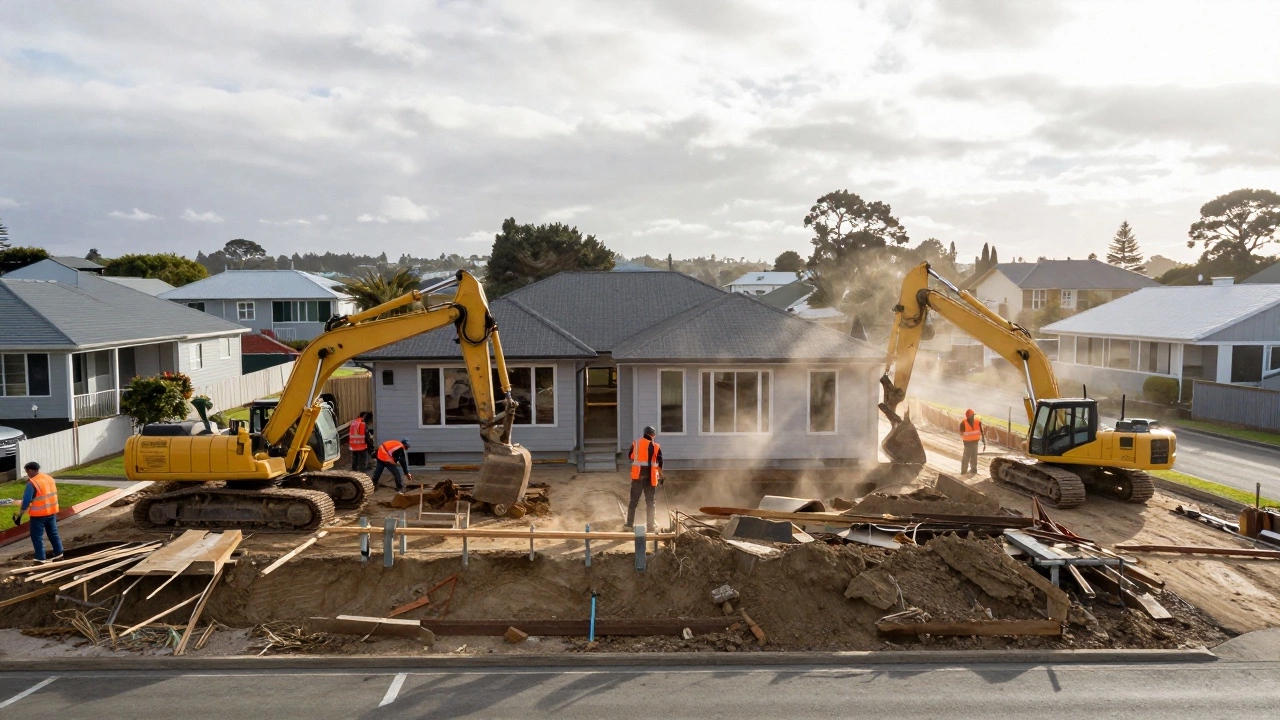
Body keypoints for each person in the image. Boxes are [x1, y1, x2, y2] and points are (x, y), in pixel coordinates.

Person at [14, 462, 63, 563]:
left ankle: (40, 559)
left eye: (27, 471)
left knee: (37, 537)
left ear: (31, 470)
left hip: (38, 515)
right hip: (52, 512)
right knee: (53, 533)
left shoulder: (32, 483)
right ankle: (59, 554)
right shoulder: (49, 478)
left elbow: (27, 501)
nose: (27, 473)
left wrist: (20, 515)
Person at [625, 425, 663, 532]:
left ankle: (629, 525)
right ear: (652, 435)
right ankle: (650, 526)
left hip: (638, 478)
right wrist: (661, 476)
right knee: (650, 503)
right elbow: (660, 463)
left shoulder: (636, 444)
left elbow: (631, 456)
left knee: (633, 502)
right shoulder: (656, 447)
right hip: (650, 479)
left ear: (644, 434)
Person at [959, 409, 985, 475]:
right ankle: (972, 470)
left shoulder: (963, 423)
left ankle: (965, 470)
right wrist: (984, 442)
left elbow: (961, 432)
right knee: (972, 456)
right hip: (973, 442)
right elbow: (981, 432)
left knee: (967, 457)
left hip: (969, 443)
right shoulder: (977, 422)